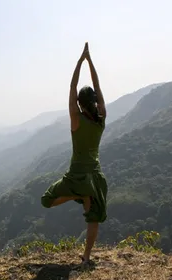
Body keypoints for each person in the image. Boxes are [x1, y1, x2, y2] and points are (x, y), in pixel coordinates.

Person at [41, 42, 107, 265]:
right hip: (95, 176)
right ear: (96, 101)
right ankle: (86, 257)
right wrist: (91, 63)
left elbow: (72, 88)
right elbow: (98, 88)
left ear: (79, 103)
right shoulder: (101, 119)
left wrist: (81, 61)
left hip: (77, 175)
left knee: (47, 199)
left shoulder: (76, 120)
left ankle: (75, 195)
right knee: (93, 218)